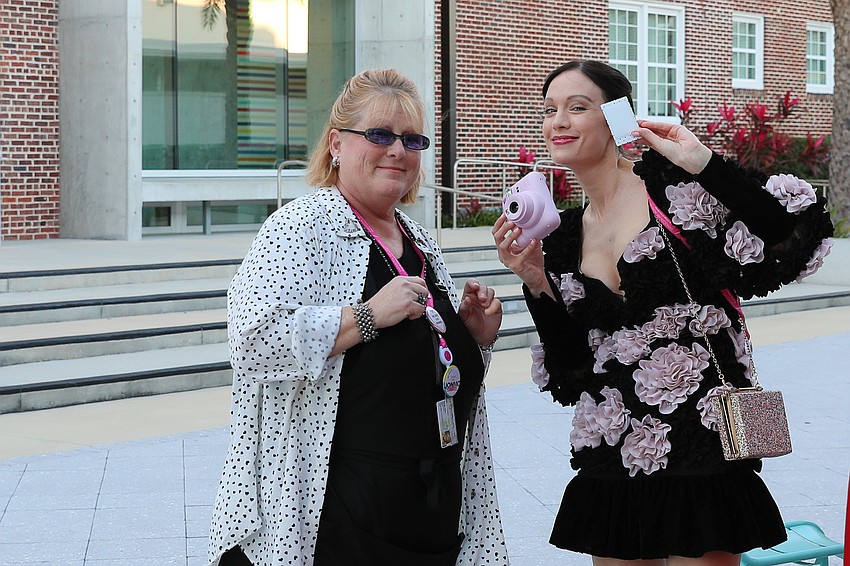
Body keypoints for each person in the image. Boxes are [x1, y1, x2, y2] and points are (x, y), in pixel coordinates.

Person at [493, 60, 834, 565]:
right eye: (550, 110)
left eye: (577, 107)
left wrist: (703, 162)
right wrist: (536, 281)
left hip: (702, 445)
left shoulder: (675, 191)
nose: (558, 121)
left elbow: (790, 232)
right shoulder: (560, 239)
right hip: (615, 452)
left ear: (616, 118)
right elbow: (571, 369)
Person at [207, 68, 509, 566]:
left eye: (411, 139)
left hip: (428, 520)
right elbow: (252, 342)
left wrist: (473, 338)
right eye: (379, 134)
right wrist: (366, 316)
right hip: (341, 521)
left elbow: (431, 370)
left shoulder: (418, 239)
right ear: (336, 144)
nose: (397, 150)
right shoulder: (302, 226)